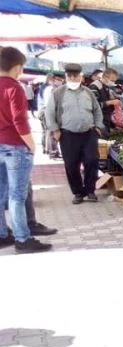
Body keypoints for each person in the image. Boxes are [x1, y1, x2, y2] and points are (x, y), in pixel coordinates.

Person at [0, 47, 53, 254]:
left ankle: (2, 235)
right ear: (17, 67)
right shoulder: (14, 87)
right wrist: (31, 145)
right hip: (15, 147)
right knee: (16, 196)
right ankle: (22, 239)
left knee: (1, 194)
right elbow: (19, 121)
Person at [46, 63, 105, 205]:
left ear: (81, 77)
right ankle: (78, 192)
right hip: (67, 134)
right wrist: (55, 130)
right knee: (71, 164)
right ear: (66, 77)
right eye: (70, 76)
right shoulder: (58, 93)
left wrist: (98, 126)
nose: (73, 79)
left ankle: (90, 190)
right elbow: (49, 113)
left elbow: (97, 110)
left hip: (89, 133)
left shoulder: (88, 92)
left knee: (92, 160)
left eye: (75, 76)